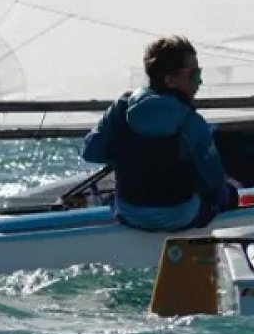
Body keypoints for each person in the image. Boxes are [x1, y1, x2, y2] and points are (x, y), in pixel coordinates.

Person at [81, 36, 240, 231]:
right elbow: (214, 180)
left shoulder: (120, 108)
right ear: (170, 80)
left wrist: (127, 152)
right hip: (182, 217)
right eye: (194, 75)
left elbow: (90, 152)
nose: (200, 81)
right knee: (229, 193)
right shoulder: (191, 122)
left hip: (129, 216)